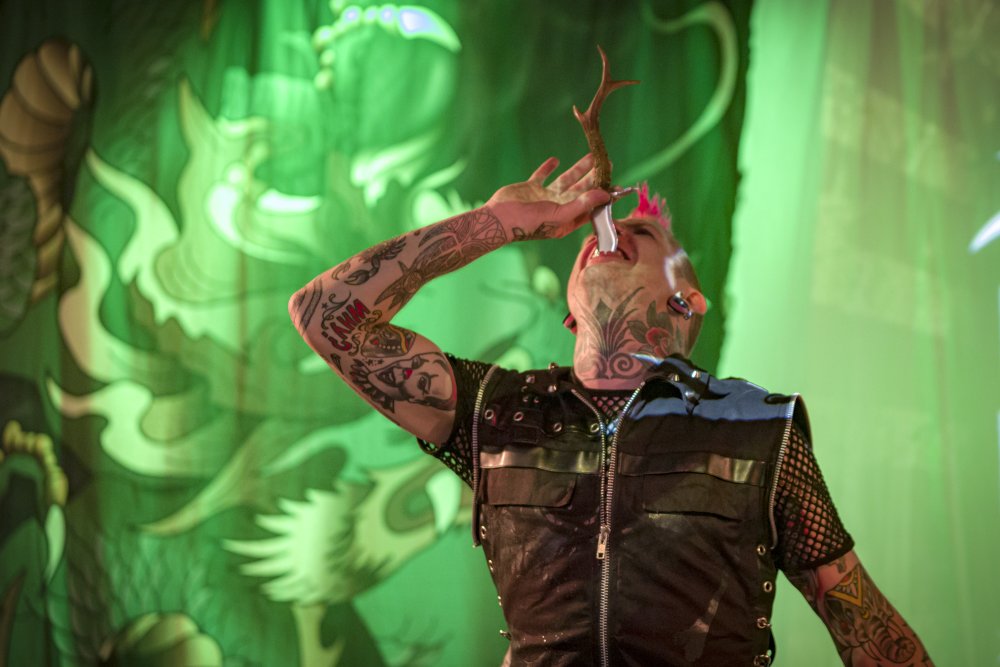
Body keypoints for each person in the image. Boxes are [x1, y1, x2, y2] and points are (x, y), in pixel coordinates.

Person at [289, 154, 933, 666]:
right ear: (570, 307)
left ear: (689, 300)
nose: (611, 230)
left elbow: (866, 630)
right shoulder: (499, 412)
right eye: (600, 233)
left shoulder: (759, 431)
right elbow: (323, 315)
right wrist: (497, 223)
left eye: (642, 232)